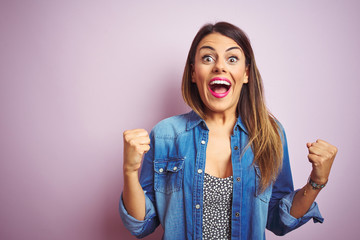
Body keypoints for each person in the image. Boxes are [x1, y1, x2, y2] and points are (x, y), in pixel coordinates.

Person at [119, 22, 337, 239]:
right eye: (207, 58)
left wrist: (316, 182)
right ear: (194, 73)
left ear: (246, 74)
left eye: (232, 59)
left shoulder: (269, 134)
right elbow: (142, 224)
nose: (219, 67)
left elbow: (278, 221)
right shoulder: (166, 135)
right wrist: (129, 171)